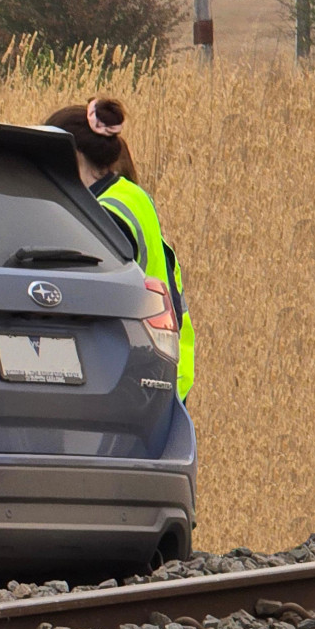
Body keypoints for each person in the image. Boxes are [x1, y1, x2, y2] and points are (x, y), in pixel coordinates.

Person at [44, 97, 195, 401]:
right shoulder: (130, 195)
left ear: (72, 155)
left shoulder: (105, 216)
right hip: (163, 364)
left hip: (134, 373)